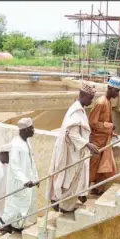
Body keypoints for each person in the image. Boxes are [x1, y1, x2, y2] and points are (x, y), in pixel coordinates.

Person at [48, 81, 98, 213]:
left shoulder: (79, 110)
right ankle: (59, 202)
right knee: (68, 178)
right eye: (90, 98)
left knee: (72, 179)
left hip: (76, 150)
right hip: (71, 153)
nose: (91, 102)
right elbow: (71, 132)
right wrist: (87, 145)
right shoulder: (76, 111)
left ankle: (66, 205)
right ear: (83, 95)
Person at [0, 118, 39, 234]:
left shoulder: (26, 143)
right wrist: (25, 180)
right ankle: (6, 224)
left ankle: (16, 226)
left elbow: (32, 163)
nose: (33, 130)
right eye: (31, 128)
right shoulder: (16, 144)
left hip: (28, 181)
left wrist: (35, 178)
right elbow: (14, 166)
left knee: (23, 205)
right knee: (15, 205)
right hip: (19, 182)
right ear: (25, 130)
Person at [88, 77, 120, 196]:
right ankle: (82, 193)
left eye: (119, 91)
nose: (117, 94)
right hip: (96, 141)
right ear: (109, 88)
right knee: (92, 167)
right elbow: (92, 122)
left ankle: (97, 189)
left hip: (104, 140)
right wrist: (109, 126)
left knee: (103, 167)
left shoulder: (108, 102)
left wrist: (111, 132)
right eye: (116, 91)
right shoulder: (101, 102)